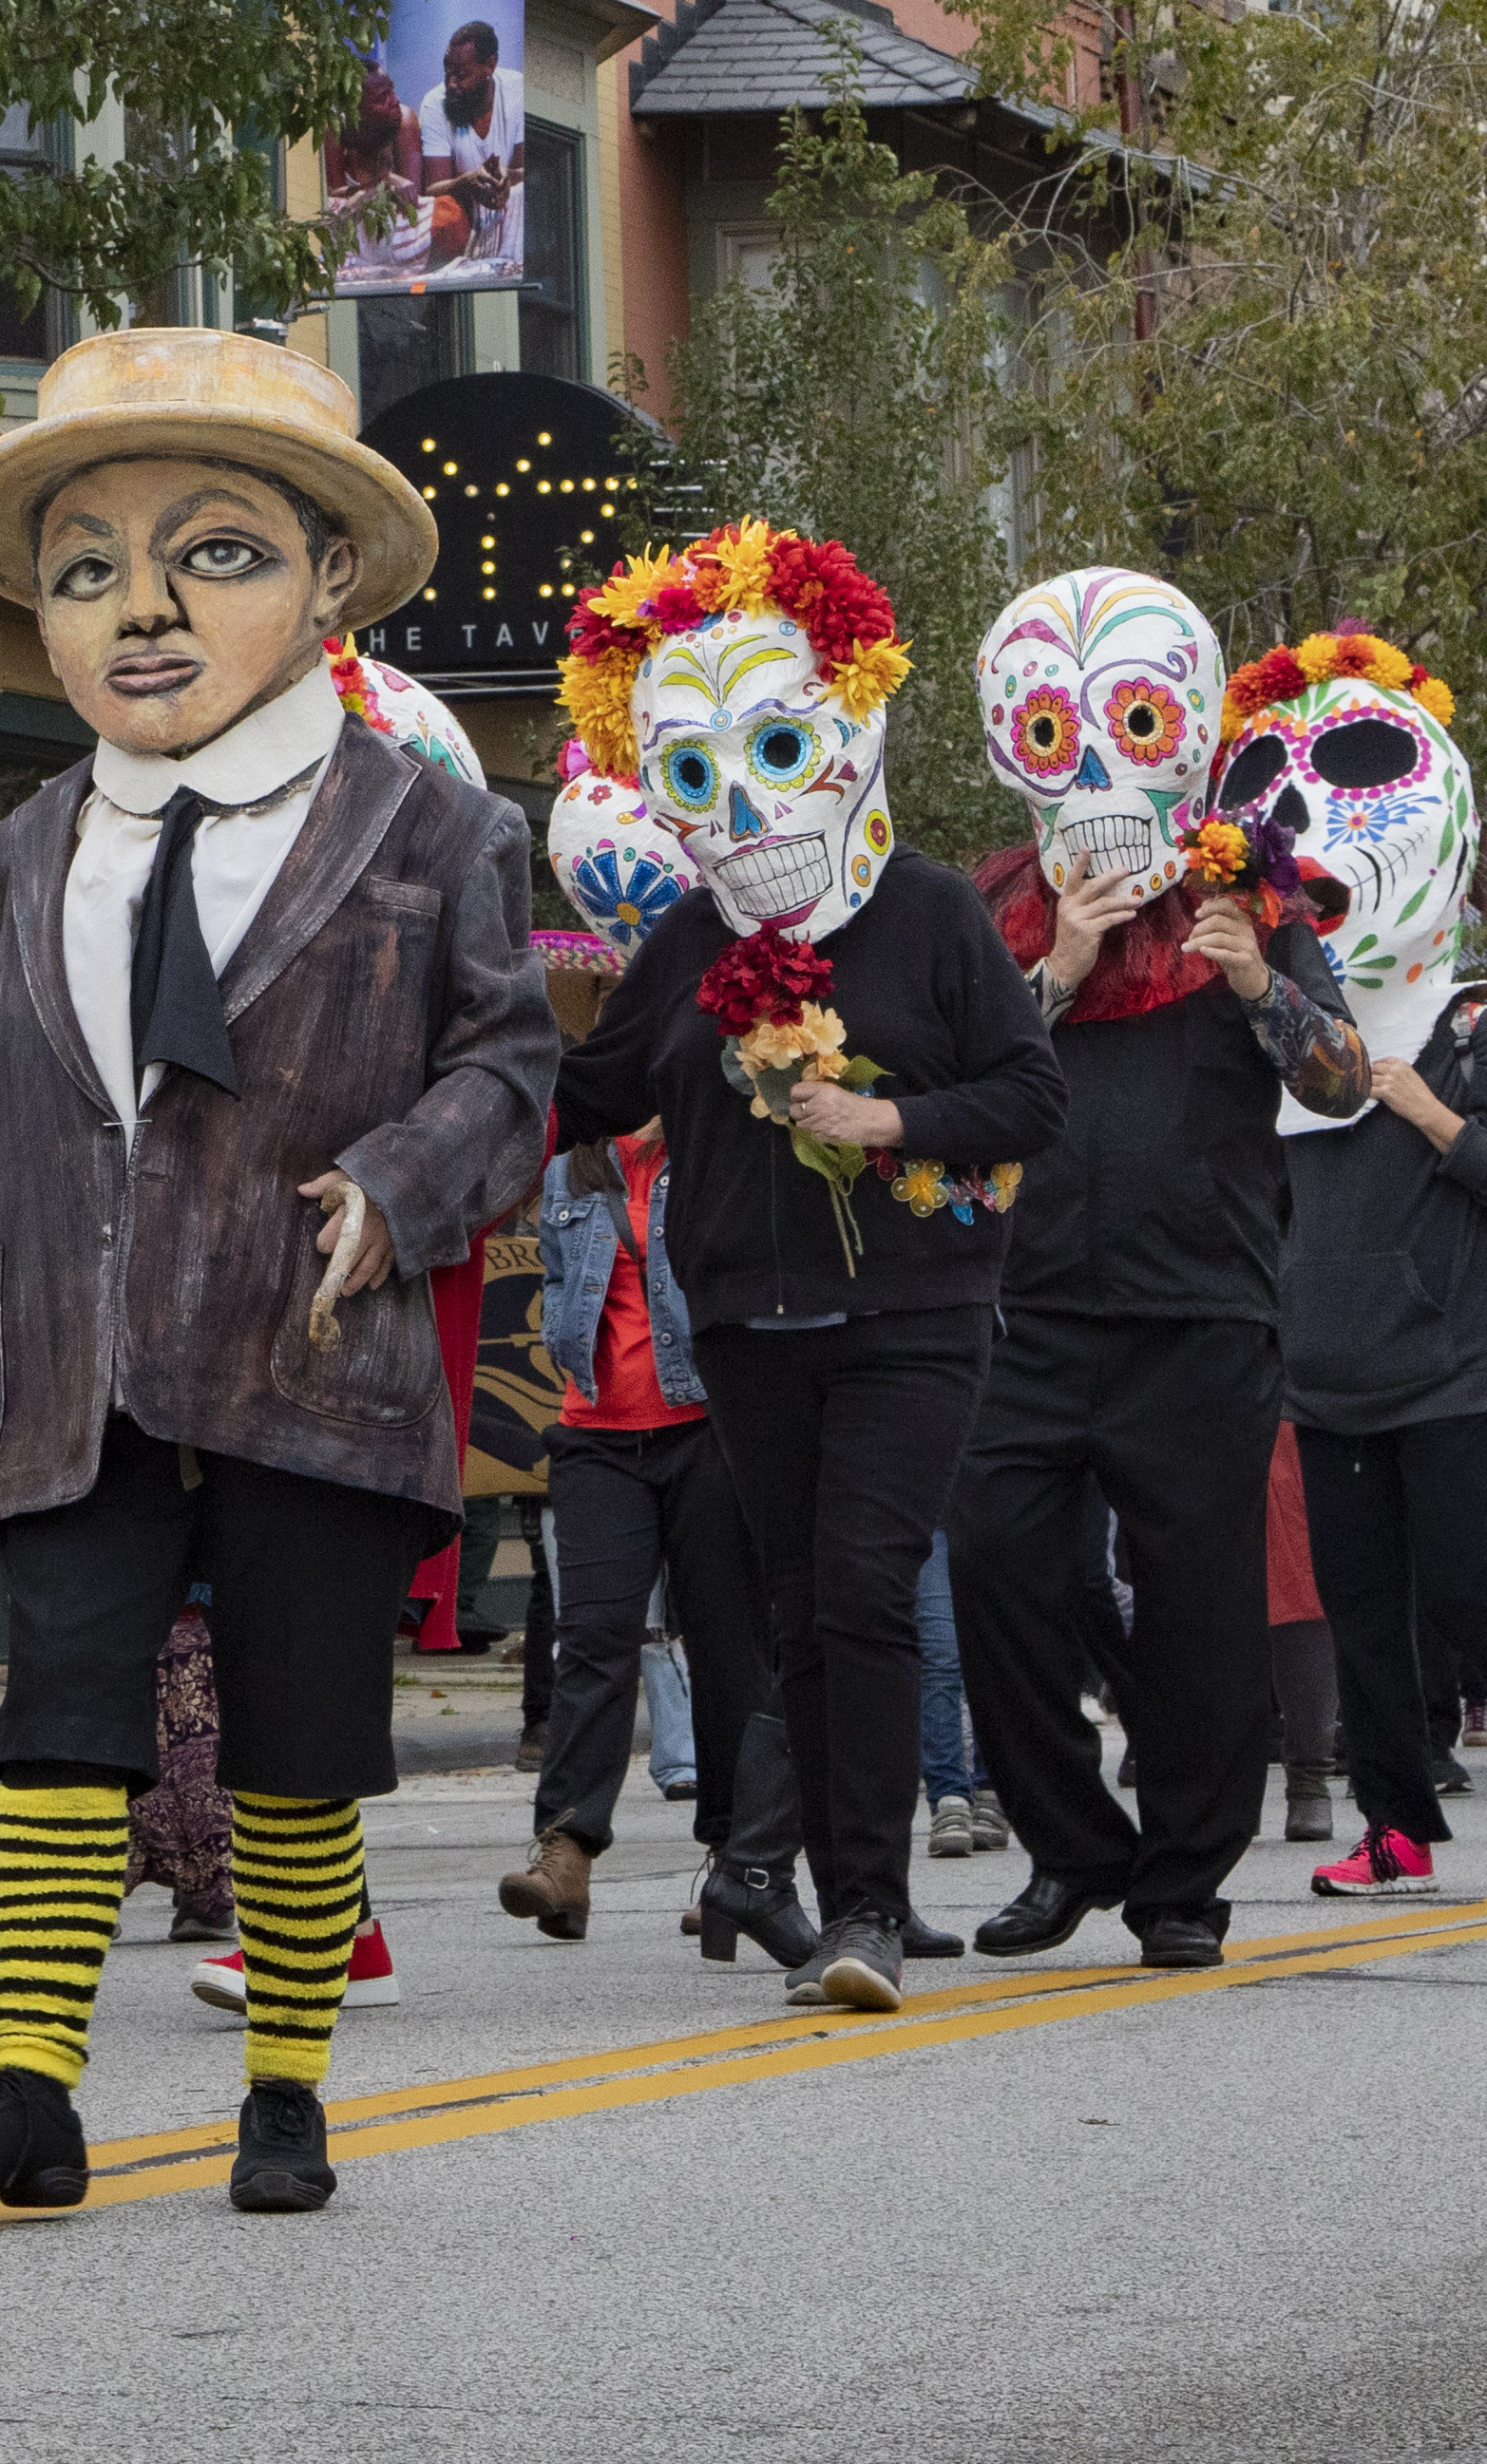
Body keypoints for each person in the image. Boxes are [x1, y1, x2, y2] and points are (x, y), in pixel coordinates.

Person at [0, 328, 557, 2218]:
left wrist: (395, 1178)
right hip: (74, 1344)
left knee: (291, 1742)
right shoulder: (25, 848)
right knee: (58, 1716)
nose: (142, 610)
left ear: (325, 576)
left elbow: (513, 1066)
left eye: (212, 553)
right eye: (88, 565)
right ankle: (35, 2085)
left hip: (311, 1339)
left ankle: (284, 2086)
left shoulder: (436, 827)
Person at [565, 527, 1066, 2012]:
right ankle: (852, 1898)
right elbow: (583, 1089)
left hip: (915, 1310)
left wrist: (885, 1113)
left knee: (859, 1583)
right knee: (795, 1609)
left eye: (778, 745)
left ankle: (864, 1904)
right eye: (701, 775)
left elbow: (1031, 1099)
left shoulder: (931, 912)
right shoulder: (678, 944)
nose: (745, 806)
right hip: (747, 1318)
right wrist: (415, 1112)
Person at [938, 567, 1354, 1968]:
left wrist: (1253, 980)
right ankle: (1071, 1853)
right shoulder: (990, 905)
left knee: (1202, 1607)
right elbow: (952, 1096)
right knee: (1000, 1572)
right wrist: (1056, 962)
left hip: (1203, 1310)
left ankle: (1181, 1880)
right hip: (1028, 1310)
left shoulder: (1253, 892)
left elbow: (1344, 1081)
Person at [1241, 636, 1487, 1908]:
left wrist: (1426, 1113)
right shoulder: (1292, 1045)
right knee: (1363, 1609)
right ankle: (1397, 1825)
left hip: (1457, 1359)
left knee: (1471, 1587)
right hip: (1334, 1357)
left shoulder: (1473, 1033)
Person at [510, 755, 789, 1952]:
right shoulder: (572, 1158)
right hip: (597, 1434)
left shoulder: (706, 1145)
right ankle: (565, 1848)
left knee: (730, 1652)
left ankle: (737, 1860)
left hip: (704, 1422)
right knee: (593, 1642)